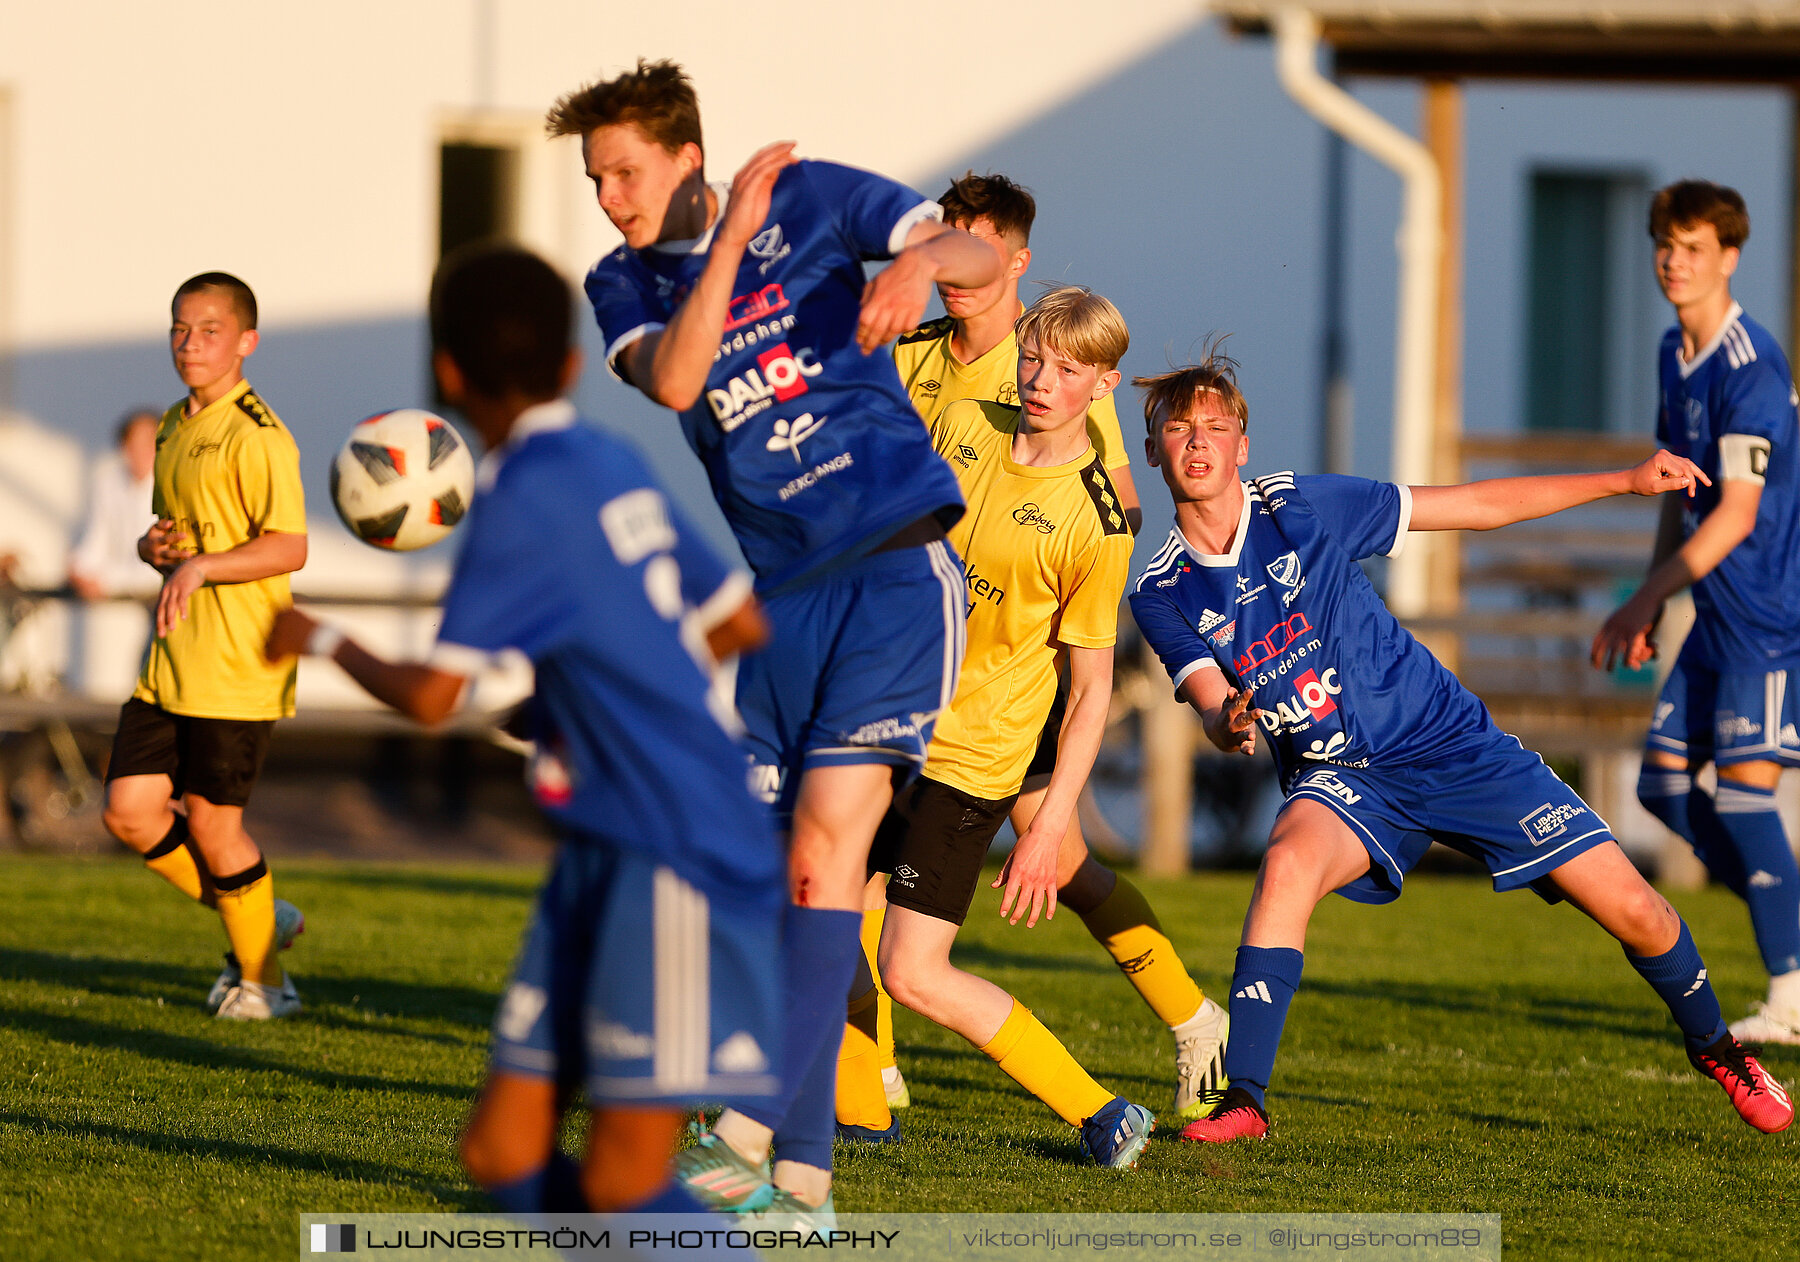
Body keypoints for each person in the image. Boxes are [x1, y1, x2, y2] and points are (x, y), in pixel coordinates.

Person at [1129, 348, 1793, 1143]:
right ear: (1155, 452)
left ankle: (1721, 1051)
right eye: (1178, 428)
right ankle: (1245, 1102)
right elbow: (1210, 703)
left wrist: (1621, 479)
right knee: (1286, 864)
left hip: (1450, 745)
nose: (1198, 442)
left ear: (1243, 444)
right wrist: (1228, 723)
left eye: (1215, 426)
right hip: (1342, 779)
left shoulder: (1299, 508)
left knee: (1640, 913)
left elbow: (1475, 504)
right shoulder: (1162, 591)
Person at [550, 60, 998, 1217]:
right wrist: (729, 236)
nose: (609, 195)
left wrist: (912, 259)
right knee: (768, 881)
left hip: (895, 567)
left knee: (820, 856)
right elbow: (681, 376)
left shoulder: (812, 200)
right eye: (597, 177)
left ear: (686, 153)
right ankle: (804, 1176)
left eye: (626, 171)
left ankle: (745, 1126)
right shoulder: (621, 279)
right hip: (779, 595)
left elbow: (978, 256)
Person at [266, 244, 786, 1216]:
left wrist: (320, 633)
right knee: (499, 1149)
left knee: (624, 1178)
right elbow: (735, 621)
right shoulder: (606, 457)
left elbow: (432, 696)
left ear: (448, 374)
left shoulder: (518, 498)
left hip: (676, 845)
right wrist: (581, 693)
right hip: (605, 847)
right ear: (572, 366)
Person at [860, 173, 1223, 1129]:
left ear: (1016, 264)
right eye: (942, 249)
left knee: (1043, 857)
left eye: (974, 253)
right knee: (879, 874)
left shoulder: (1055, 382)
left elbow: (1110, 520)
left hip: (1015, 678)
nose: (953, 272)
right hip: (931, 674)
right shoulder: (922, 361)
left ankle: (1185, 1028)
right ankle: (874, 1078)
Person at [855, 286, 1154, 1166]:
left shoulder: (1095, 523)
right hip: (886, 722)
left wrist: (1050, 824)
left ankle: (1102, 1112)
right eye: (1033, 358)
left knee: (912, 972)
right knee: (814, 907)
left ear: (1103, 386)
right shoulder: (966, 423)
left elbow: (1092, 689)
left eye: (1067, 370)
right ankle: (837, 1107)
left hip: (973, 761)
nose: (1040, 380)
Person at [1594, 180, 1800, 1048]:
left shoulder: (1753, 366)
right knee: (1664, 789)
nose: (1675, 261)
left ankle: (1791, 993)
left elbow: (1738, 514)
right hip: (1714, 616)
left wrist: (1648, 596)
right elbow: (1677, 495)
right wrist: (1652, 590)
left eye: (1694, 246)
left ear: (1730, 256)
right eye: (1665, 245)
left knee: (1750, 808)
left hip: (1769, 619)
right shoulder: (1671, 356)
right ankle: (1780, 905)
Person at [99, 272, 307, 1021]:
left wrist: (203, 564)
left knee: (217, 826)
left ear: (246, 342)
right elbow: (181, 536)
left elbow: (290, 546)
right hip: (171, 661)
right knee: (128, 812)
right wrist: (157, 547)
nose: (190, 344)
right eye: (180, 329)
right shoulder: (172, 426)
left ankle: (266, 985)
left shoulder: (258, 435)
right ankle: (256, 915)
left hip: (235, 667)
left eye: (209, 330)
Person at [69, 409, 160, 601]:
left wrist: (105, 580)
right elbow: (96, 536)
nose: (141, 450)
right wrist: (80, 569)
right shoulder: (109, 482)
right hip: (116, 598)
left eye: (148, 442)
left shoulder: (170, 486)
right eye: (134, 443)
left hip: (157, 599)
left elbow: (159, 567)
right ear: (123, 446)